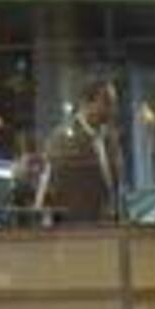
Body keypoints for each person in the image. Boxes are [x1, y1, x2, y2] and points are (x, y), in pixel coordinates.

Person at [32, 79, 121, 225]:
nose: (112, 109)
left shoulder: (110, 138)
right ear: (87, 103)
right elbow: (49, 188)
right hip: (77, 229)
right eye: (106, 102)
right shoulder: (63, 139)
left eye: (113, 103)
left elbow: (114, 184)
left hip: (109, 225)